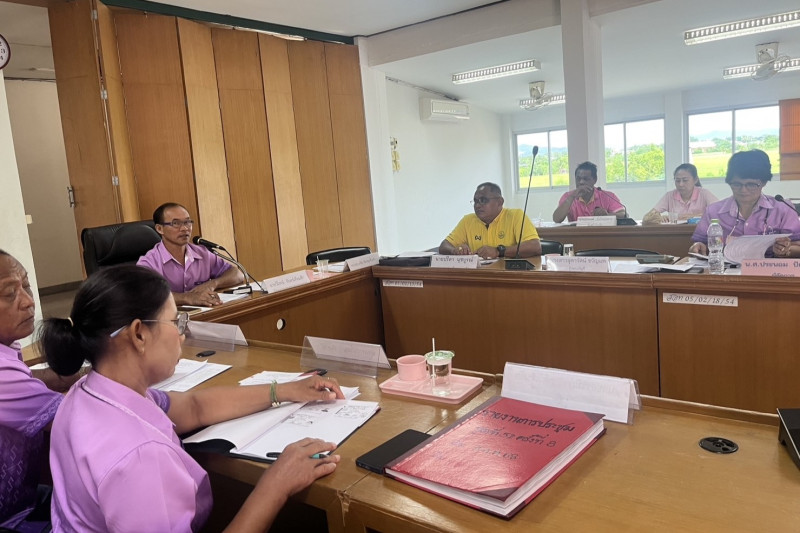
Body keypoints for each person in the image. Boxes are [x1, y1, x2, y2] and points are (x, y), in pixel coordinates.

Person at [40, 265, 344, 532]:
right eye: (175, 323)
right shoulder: (140, 457)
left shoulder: (89, 392)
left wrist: (284, 390)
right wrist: (277, 484)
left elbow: (194, 407)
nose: (182, 335)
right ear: (139, 334)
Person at [0, 250, 80, 529]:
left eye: (26, 285)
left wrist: (81, 374)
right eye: (9, 293)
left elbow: (29, 379)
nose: (28, 301)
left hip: (24, 499)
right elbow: (81, 420)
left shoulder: (6, 349)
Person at [689, 150, 800, 257]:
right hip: (725, 268)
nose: (743, 190)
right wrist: (697, 247)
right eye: (737, 184)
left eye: (751, 184)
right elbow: (700, 244)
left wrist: (785, 250)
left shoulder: (782, 210)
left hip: (769, 267)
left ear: (763, 182)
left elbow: (797, 246)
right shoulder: (713, 212)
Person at [137, 203, 244, 307]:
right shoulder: (148, 263)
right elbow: (146, 296)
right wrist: (187, 298)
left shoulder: (202, 253)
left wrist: (213, 284)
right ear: (159, 229)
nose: (184, 228)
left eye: (187, 222)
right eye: (176, 223)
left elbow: (237, 274)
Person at [439, 182, 541, 259]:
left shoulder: (515, 216)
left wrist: (499, 251)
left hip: (509, 275)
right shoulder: (468, 220)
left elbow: (535, 246)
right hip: (478, 276)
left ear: (500, 202)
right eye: (475, 201)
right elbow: (444, 245)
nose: (477, 205)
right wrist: (455, 251)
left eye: (483, 200)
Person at [642, 163, 718, 224]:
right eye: (677, 181)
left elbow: (719, 213)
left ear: (695, 180)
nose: (681, 184)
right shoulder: (669, 196)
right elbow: (647, 217)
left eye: (685, 180)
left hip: (700, 233)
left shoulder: (704, 194)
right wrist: (659, 218)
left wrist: (690, 217)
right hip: (676, 234)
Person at [553, 162, 627, 223]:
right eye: (578, 179)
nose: (581, 182)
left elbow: (624, 215)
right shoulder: (568, 196)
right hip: (576, 235)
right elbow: (556, 219)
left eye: (586, 179)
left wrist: (607, 215)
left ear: (595, 180)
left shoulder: (607, 196)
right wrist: (571, 197)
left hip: (601, 234)